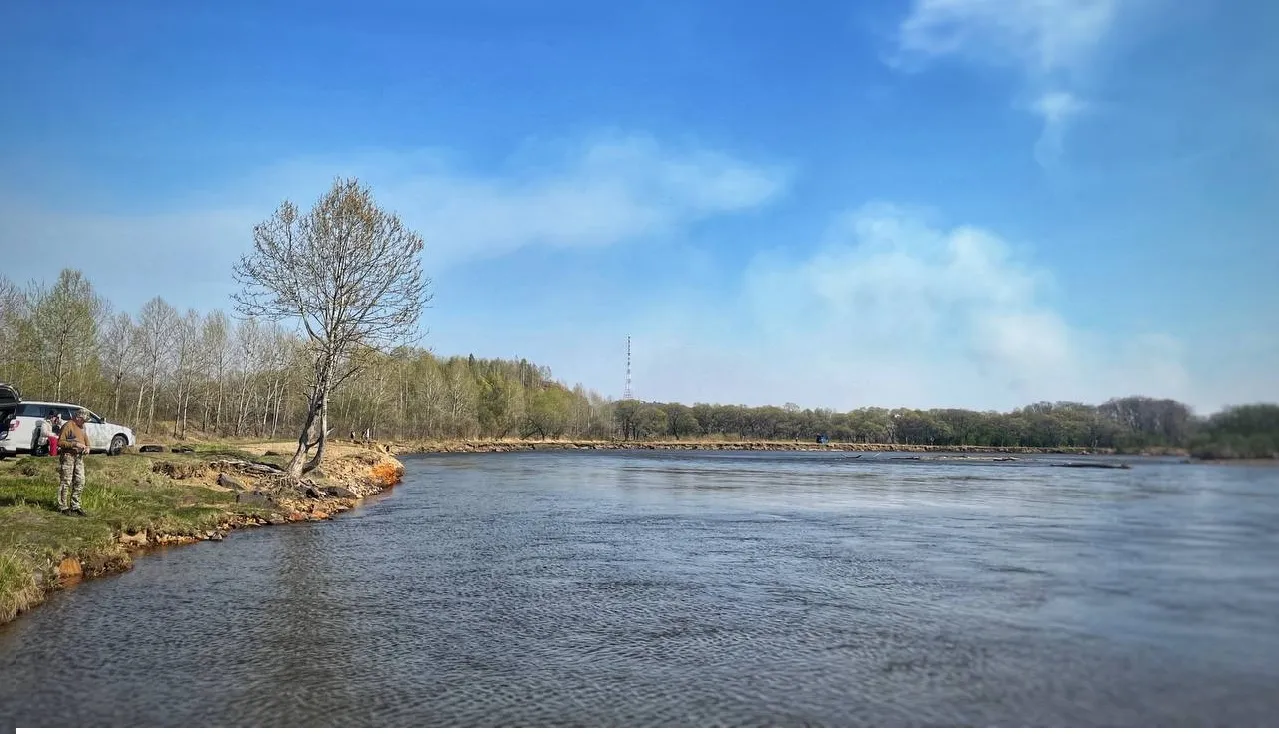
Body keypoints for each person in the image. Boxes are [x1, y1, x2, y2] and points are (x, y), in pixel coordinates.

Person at [57, 409, 91, 516]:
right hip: (68, 456)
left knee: (80, 480)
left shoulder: (83, 427)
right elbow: (60, 442)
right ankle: (63, 506)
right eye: (83, 420)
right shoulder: (68, 426)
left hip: (79, 457)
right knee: (66, 481)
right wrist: (74, 444)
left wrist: (88, 447)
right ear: (78, 418)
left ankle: (75, 505)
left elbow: (86, 440)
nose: (84, 422)